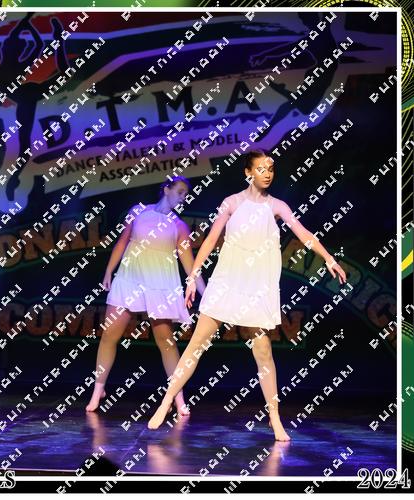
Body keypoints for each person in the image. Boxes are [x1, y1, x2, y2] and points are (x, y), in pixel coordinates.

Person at [147, 150, 347, 441]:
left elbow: (302, 232)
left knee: (263, 353)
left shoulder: (277, 206)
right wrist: (192, 276)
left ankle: (275, 418)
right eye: (261, 168)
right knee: (195, 347)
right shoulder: (231, 202)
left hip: (257, 285)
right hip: (227, 280)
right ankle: (166, 402)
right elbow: (211, 239)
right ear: (248, 173)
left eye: (270, 169)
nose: (267, 173)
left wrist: (328, 257)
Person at [85, 176, 206, 416]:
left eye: (186, 194)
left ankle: (178, 397)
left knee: (166, 342)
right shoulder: (138, 211)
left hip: (160, 286)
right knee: (109, 335)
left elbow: (191, 267)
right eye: (180, 191)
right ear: (166, 189)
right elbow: (122, 242)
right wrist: (109, 271)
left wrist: (207, 295)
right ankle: (98, 390)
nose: (183, 197)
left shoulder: (179, 226)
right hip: (129, 279)